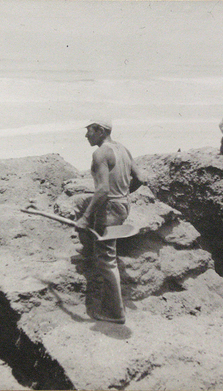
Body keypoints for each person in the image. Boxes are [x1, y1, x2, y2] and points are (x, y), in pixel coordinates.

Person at [75, 119, 144, 324]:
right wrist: (123, 195)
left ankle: (114, 313)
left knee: (106, 260)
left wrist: (86, 217)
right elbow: (140, 177)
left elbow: (103, 189)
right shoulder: (123, 149)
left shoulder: (100, 153)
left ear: (101, 130)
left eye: (89, 131)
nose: (86, 135)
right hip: (122, 205)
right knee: (107, 254)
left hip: (109, 208)